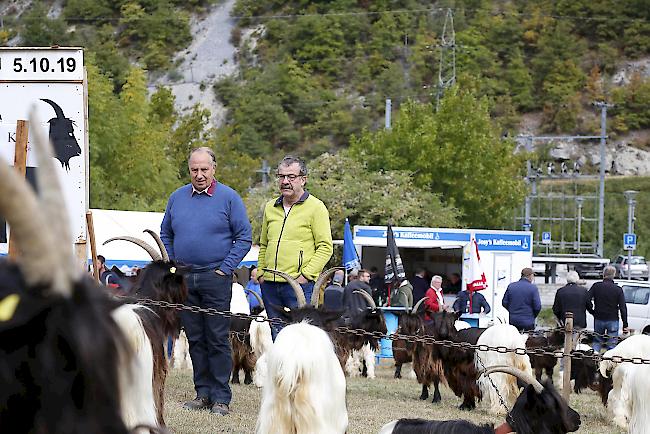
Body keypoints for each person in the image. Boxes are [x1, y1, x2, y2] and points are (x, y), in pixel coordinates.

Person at [160, 147, 252, 416]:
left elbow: (244, 237)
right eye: (194, 170)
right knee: (196, 338)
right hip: (186, 279)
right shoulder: (177, 198)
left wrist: (225, 269)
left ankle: (221, 398)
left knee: (217, 337)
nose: (199, 175)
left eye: (204, 169)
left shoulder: (229, 198)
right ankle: (202, 394)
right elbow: (166, 232)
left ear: (214, 169)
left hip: (216, 278)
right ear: (189, 170)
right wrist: (175, 263)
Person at [257, 156, 333, 340]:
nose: (285, 181)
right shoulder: (270, 207)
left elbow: (325, 247)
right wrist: (260, 272)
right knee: (278, 337)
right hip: (269, 285)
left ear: (303, 179)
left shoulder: (316, 207)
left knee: (301, 338)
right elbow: (264, 243)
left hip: (298, 287)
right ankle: (282, 370)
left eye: (291, 177)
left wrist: (305, 276)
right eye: (281, 176)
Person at [587, 265, 628, 353]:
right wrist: (625, 324)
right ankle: (609, 363)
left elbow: (587, 299)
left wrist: (592, 311)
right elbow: (623, 307)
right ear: (614, 275)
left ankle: (594, 361)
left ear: (603, 274)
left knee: (597, 342)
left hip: (599, 318)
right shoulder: (618, 289)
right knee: (612, 344)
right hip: (613, 319)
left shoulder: (596, 286)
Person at [502, 267, 541, 332]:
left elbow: (504, 302)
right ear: (530, 276)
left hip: (513, 320)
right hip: (528, 321)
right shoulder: (533, 288)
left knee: (514, 340)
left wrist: (512, 310)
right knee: (527, 340)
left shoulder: (511, 286)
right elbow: (537, 306)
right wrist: (532, 315)